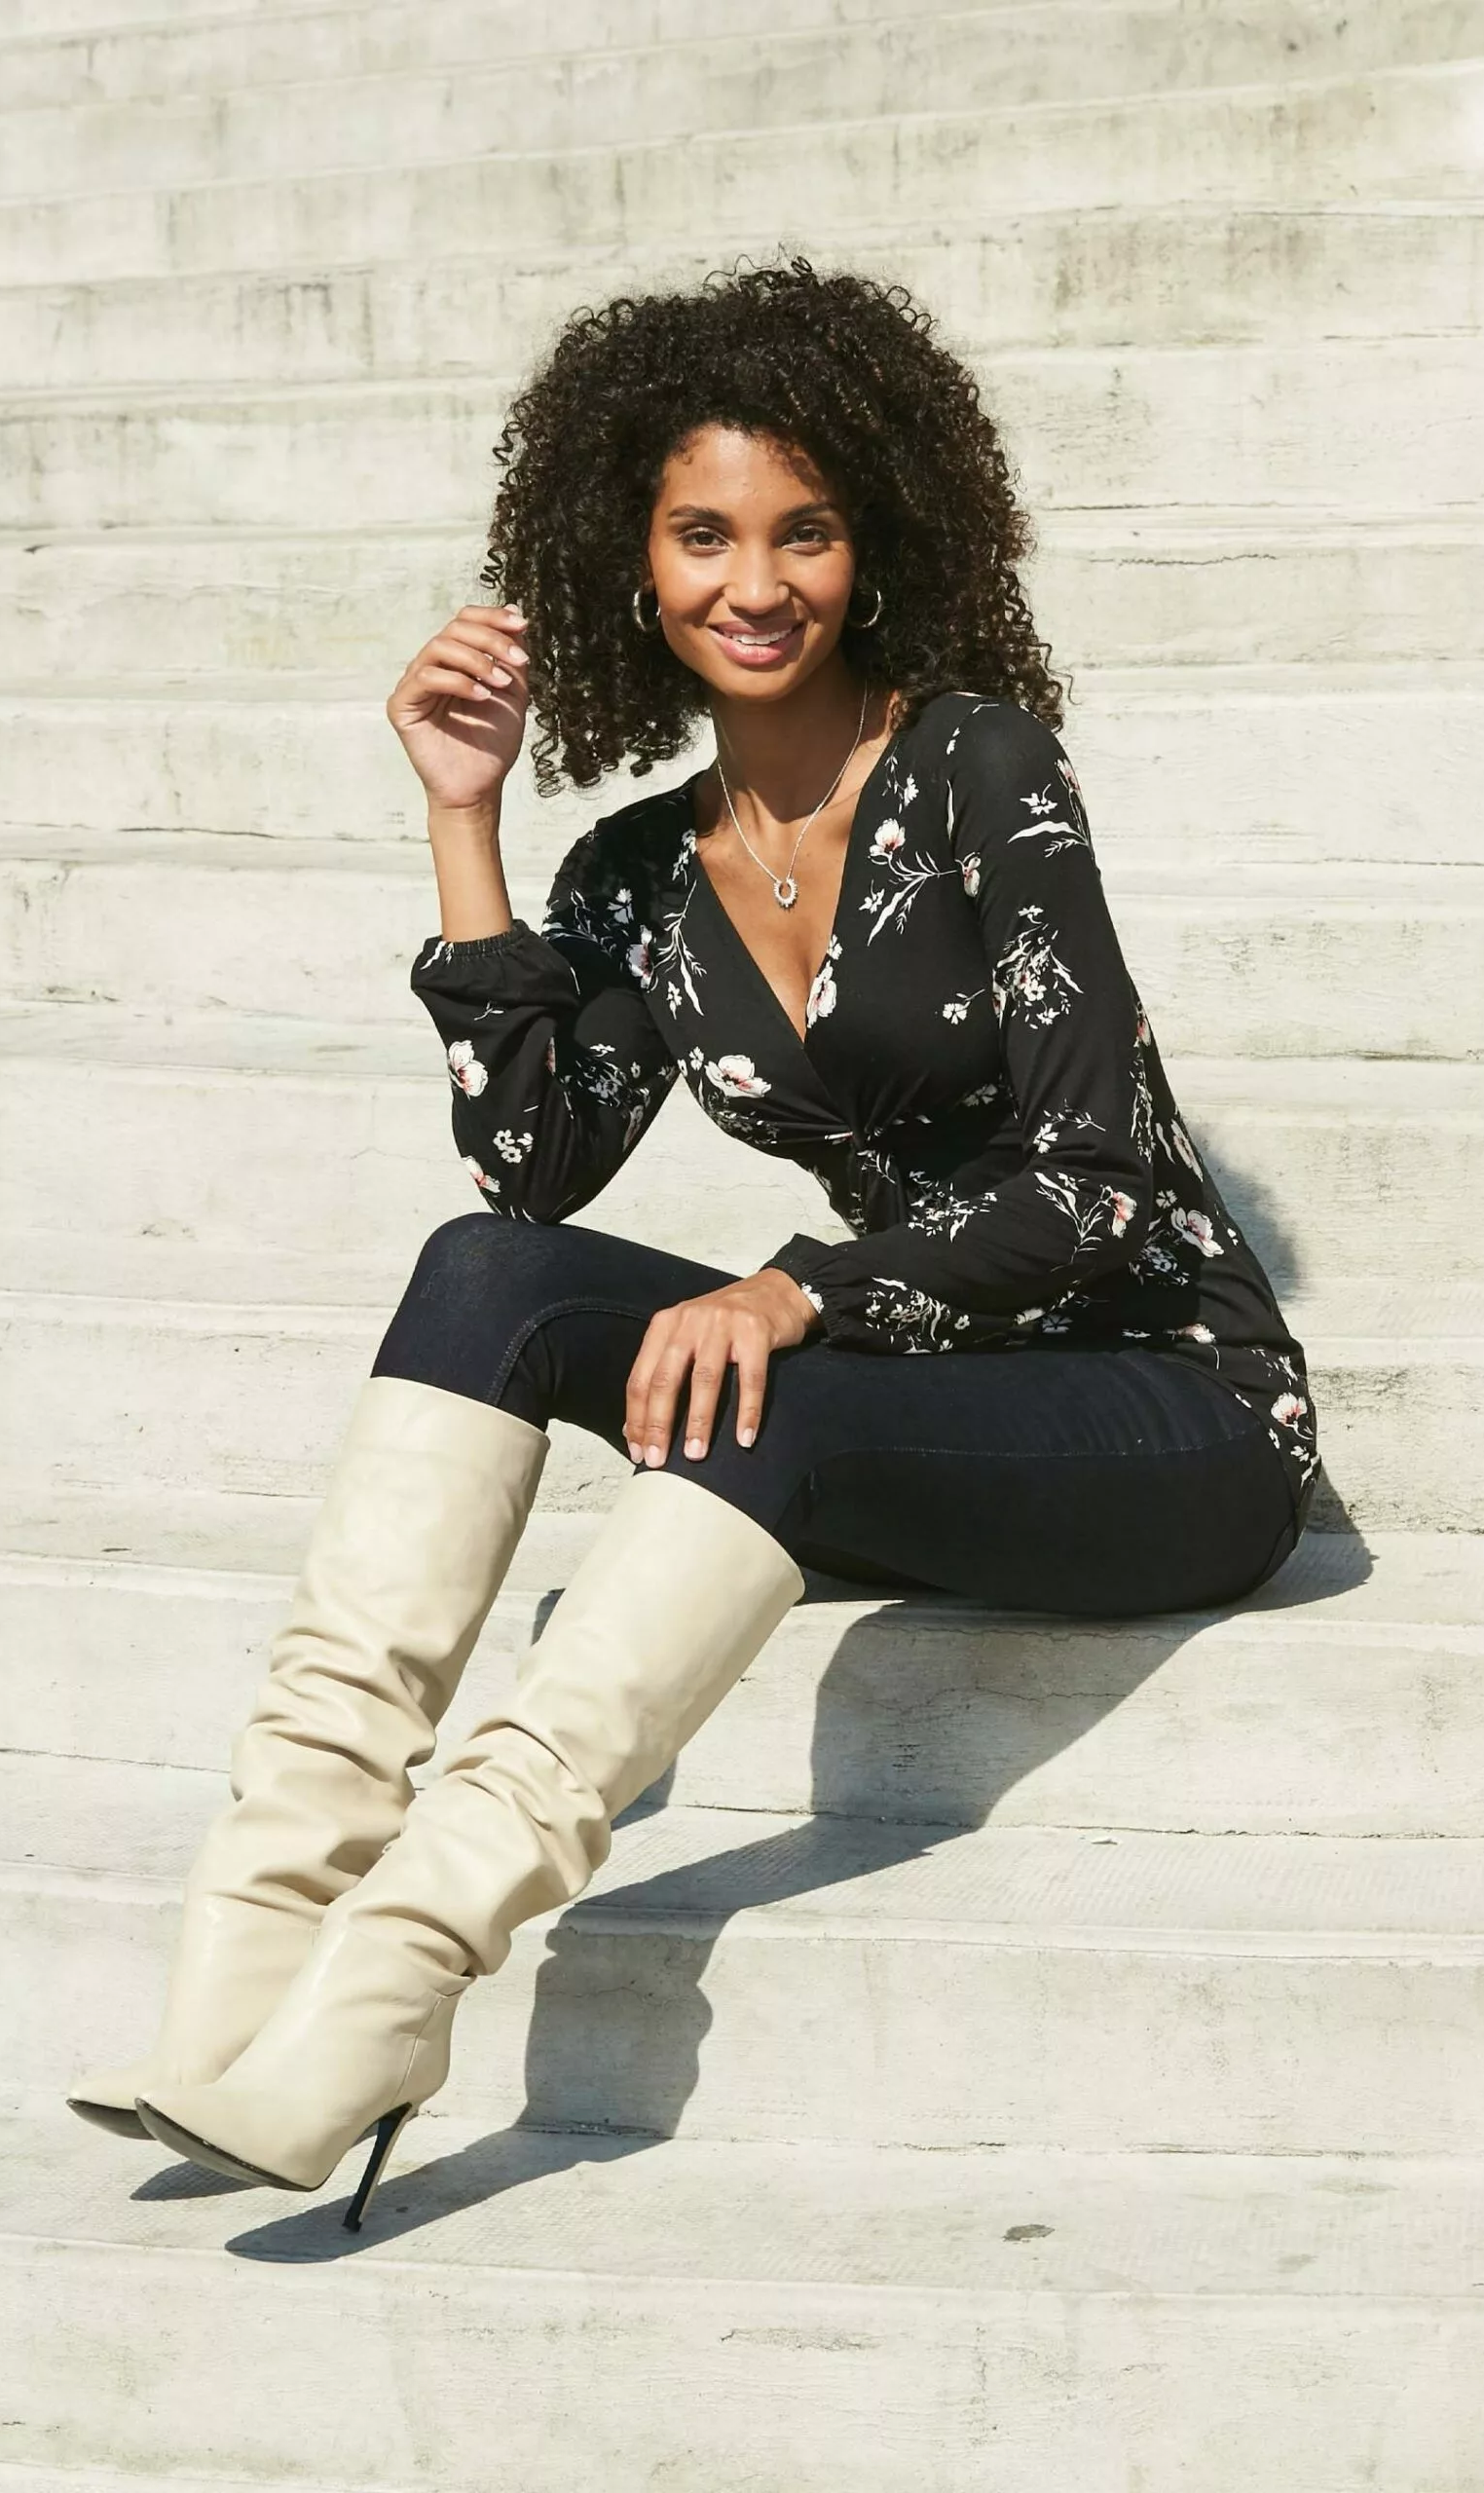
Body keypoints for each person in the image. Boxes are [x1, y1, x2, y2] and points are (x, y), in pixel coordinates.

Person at [68, 260, 1318, 2226]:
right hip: (906, 1401)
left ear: (873, 544)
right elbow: (530, 1168)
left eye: (802, 530)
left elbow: (1091, 1181)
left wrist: (800, 1283)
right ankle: (255, 1951)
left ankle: (395, 1986)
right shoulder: (642, 870)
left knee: (763, 1388)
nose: (757, 581)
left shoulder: (977, 766)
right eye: (704, 535)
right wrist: (464, 821)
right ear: (631, 566)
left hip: (1162, 1409)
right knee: (482, 1278)